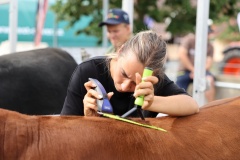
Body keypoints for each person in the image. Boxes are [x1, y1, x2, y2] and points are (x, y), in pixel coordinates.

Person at [61, 30, 199, 117]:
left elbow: (191, 105)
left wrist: (152, 102)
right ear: (120, 51)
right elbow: (64, 129)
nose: (125, 87)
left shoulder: (153, 80)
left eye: (135, 83)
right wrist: (87, 119)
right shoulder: (88, 71)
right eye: (124, 74)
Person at [176, 29, 216, 102]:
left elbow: (209, 63)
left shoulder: (210, 46)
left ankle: (211, 106)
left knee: (209, 80)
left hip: (202, 72)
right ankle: (178, 105)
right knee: (178, 90)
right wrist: (193, 70)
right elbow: (182, 55)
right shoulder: (189, 40)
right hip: (185, 71)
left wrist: (198, 73)